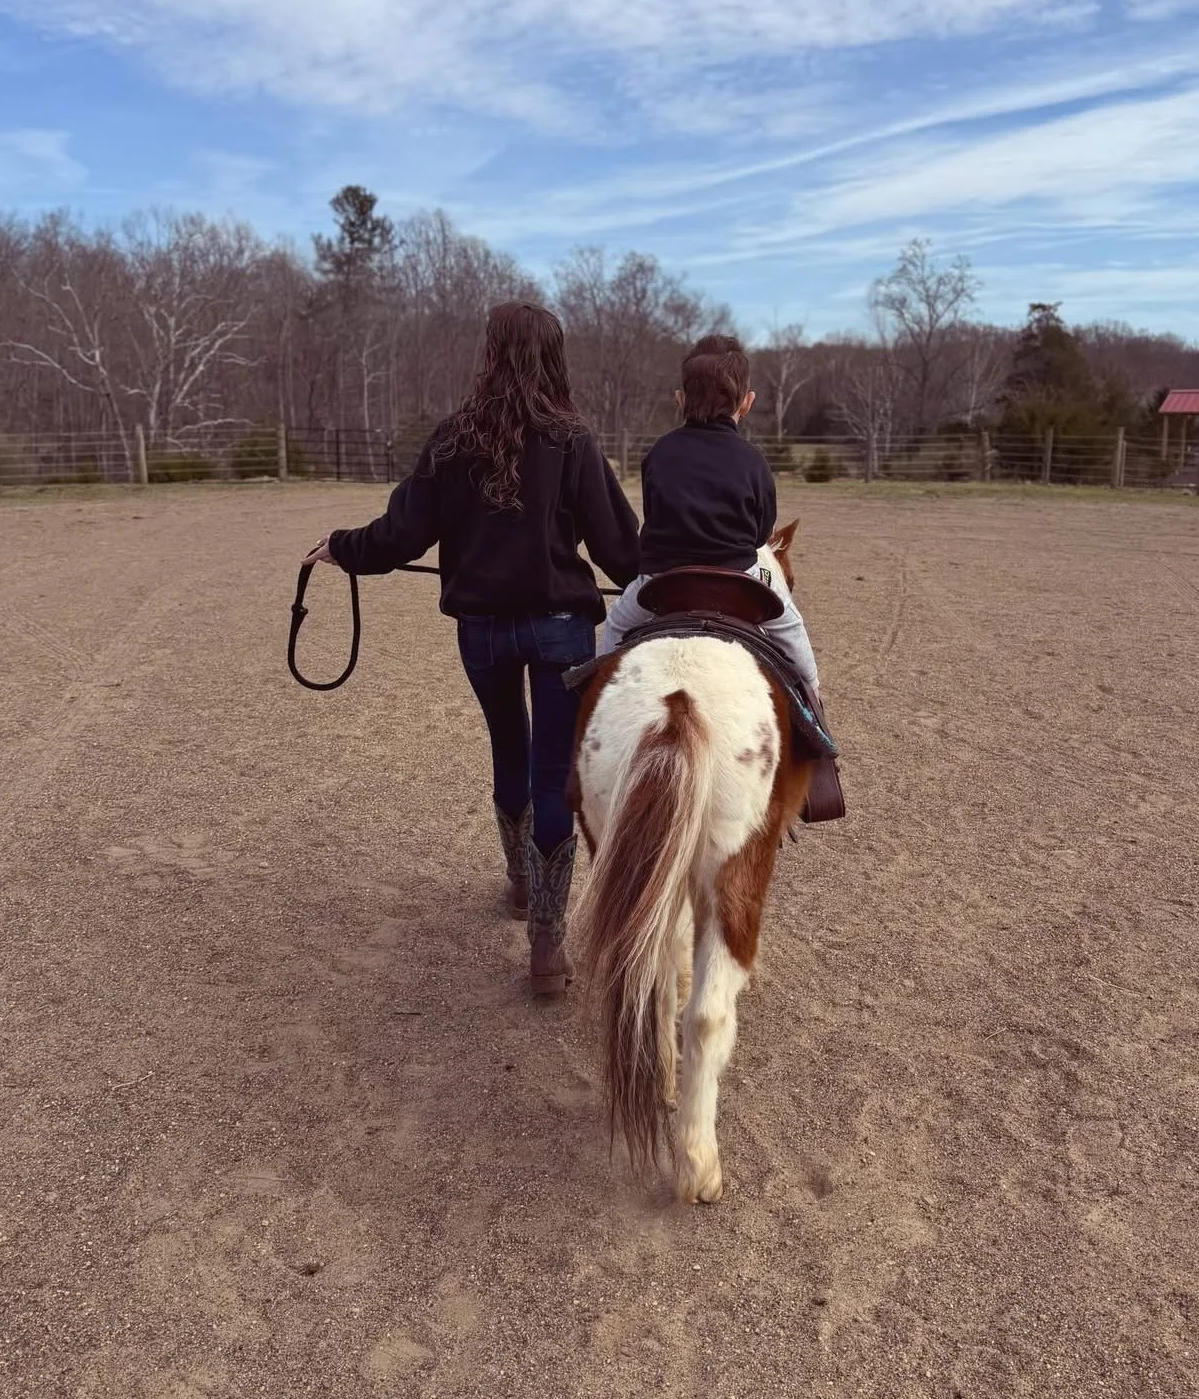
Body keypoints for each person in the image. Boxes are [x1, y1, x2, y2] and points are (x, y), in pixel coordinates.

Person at [304, 302, 639, 997]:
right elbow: (621, 551)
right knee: (553, 774)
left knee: (508, 751)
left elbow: (400, 535)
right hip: (559, 630)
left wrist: (343, 547)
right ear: (556, 356)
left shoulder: (454, 439)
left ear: (489, 354)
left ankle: (521, 884)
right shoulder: (571, 441)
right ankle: (545, 941)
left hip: (483, 631)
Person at [597, 333, 821, 694]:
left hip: (663, 579)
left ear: (680, 400)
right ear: (746, 403)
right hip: (739, 577)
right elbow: (761, 531)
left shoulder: (659, 452)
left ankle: (597, 693)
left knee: (613, 630)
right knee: (792, 630)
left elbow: (655, 513)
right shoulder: (754, 461)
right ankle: (813, 709)